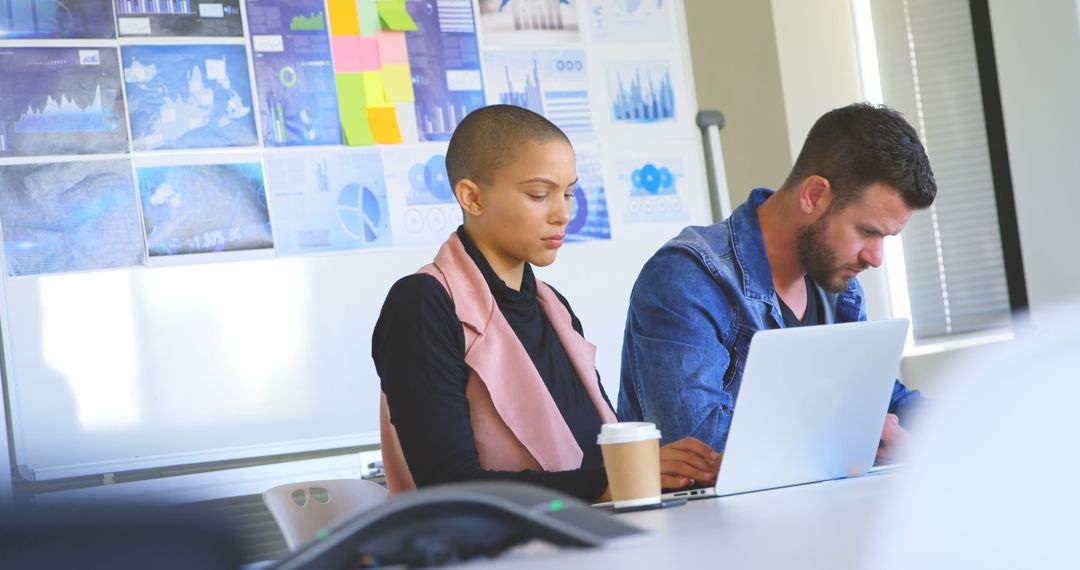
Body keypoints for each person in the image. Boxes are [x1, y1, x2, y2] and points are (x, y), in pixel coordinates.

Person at [372, 105, 719, 501]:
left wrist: (670, 469)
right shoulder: (422, 304)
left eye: (569, 192)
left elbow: (594, 456)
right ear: (472, 197)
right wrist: (619, 480)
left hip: (589, 536)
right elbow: (452, 490)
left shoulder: (554, 307)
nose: (564, 213)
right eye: (539, 194)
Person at [618, 103, 937, 462]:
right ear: (814, 195)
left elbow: (877, 395)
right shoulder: (687, 278)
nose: (875, 258)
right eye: (867, 232)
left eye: (886, 239)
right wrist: (856, 435)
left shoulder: (838, 287)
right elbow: (698, 444)